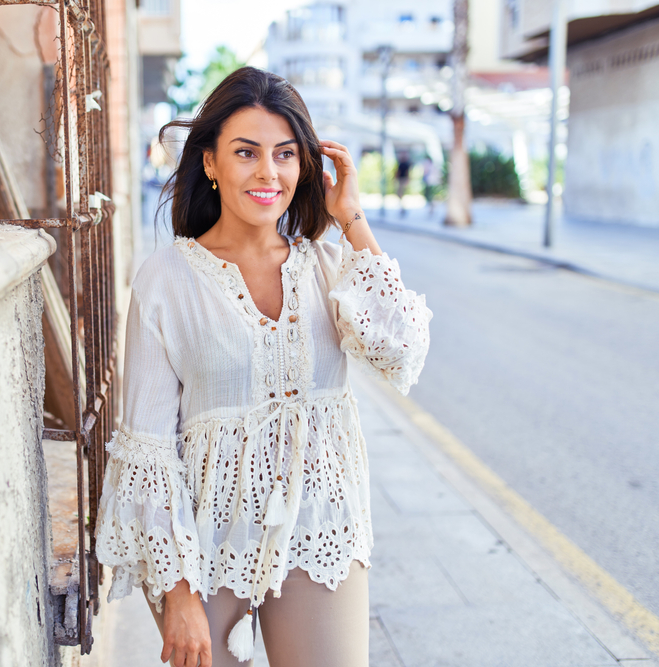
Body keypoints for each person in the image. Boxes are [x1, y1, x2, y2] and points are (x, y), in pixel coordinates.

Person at [96, 67, 432, 667]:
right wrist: (178, 593)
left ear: (304, 165)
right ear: (209, 163)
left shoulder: (330, 267)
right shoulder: (166, 280)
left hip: (320, 527)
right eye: (246, 152)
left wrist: (351, 217)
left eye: (284, 154)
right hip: (203, 546)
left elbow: (403, 348)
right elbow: (148, 446)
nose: (267, 173)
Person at [395, 152, 412, 217]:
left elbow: (404, 172)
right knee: (400, 194)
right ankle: (402, 207)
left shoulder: (404, 164)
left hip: (402, 180)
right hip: (402, 179)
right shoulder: (403, 164)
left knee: (400, 194)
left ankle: (403, 208)